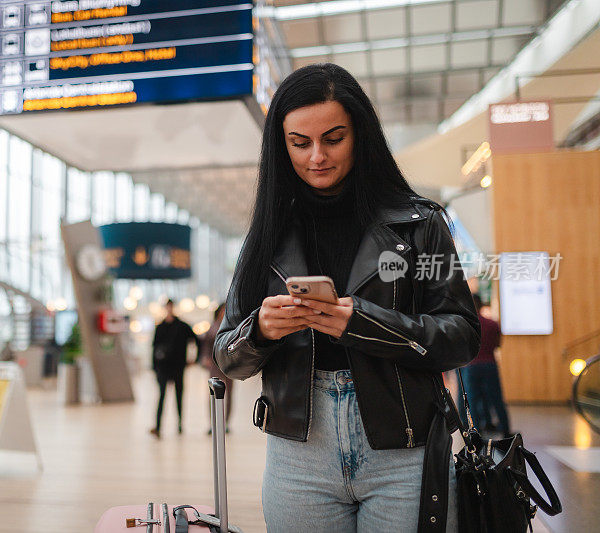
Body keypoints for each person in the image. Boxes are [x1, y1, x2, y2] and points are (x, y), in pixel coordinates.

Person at [214, 64, 480, 532]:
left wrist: (362, 324)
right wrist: (260, 330)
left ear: (361, 134)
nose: (317, 156)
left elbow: (461, 336)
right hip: (299, 455)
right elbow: (226, 355)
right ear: (282, 145)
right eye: (300, 143)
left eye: (333, 138)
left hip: (404, 450)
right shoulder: (266, 237)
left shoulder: (419, 224)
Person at [149, 299, 199, 438]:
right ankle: (158, 426)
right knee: (162, 396)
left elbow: (196, 341)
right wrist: (154, 367)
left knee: (179, 396)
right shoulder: (160, 327)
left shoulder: (182, 326)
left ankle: (179, 424)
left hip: (178, 366)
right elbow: (154, 348)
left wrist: (194, 359)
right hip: (163, 367)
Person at [463, 294, 511, 437]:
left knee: (472, 400)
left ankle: (477, 431)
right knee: (497, 399)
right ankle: (506, 429)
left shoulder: (466, 326)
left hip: (471, 366)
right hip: (490, 364)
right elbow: (497, 345)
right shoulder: (492, 324)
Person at [198, 304, 232, 432]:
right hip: (214, 364)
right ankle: (213, 423)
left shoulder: (232, 326)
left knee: (229, 394)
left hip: (229, 365)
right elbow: (205, 345)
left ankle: (225, 422)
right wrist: (205, 357)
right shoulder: (212, 327)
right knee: (213, 393)